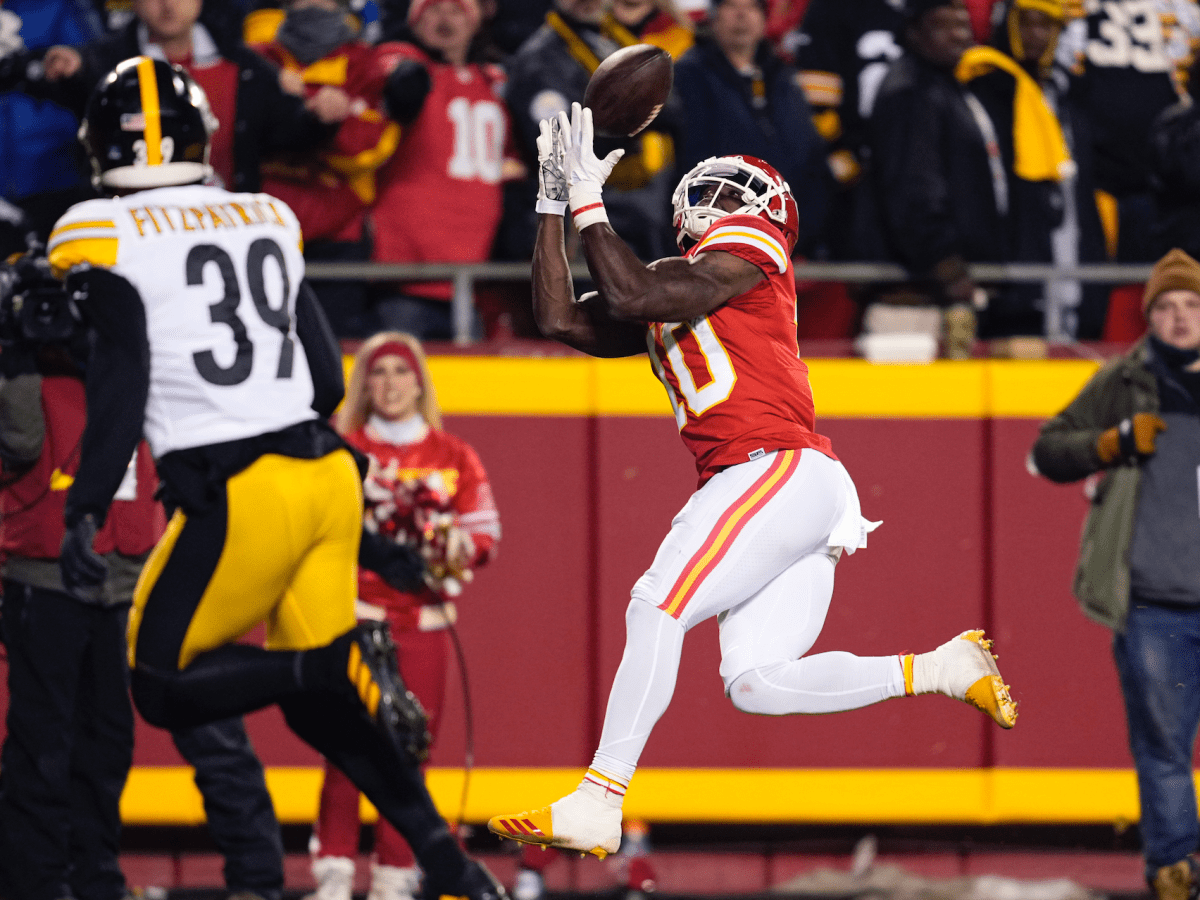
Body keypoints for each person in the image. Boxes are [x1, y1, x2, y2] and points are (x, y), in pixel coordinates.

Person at [485, 104, 1018, 858]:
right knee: (757, 682)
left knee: (656, 605)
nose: (720, 201)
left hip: (774, 468)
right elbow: (561, 319)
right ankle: (940, 667)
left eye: (736, 194)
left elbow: (634, 296)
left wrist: (587, 201)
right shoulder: (675, 278)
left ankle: (600, 797)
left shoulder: (751, 252)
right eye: (716, 193)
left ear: (768, 212)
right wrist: (551, 200)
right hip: (785, 486)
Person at [48, 56, 507, 900]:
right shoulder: (263, 213)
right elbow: (329, 381)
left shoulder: (95, 229)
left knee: (160, 682)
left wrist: (84, 506)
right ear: (200, 137)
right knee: (318, 703)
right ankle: (448, 860)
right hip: (325, 475)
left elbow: (122, 383)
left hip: (237, 485)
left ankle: (324, 672)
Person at [1030, 247, 1200, 900]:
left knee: (1164, 754)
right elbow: (1049, 449)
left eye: (1191, 305)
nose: (1180, 319)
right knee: (1163, 752)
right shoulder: (1126, 379)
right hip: (1152, 602)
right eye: (1167, 307)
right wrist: (1111, 443)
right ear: (1150, 317)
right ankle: (1174, 873)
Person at [307, 331, 500, 900]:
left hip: (425, 626)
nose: (389, 383)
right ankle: (335, 873)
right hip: (353, 616)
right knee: (346, 745)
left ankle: (395, 875)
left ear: (420, 382)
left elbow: (484, 534)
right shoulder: (338, 447)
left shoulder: (453, 454)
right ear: (363, 383)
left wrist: (454, 548)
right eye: (378, 372)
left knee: (409, 754)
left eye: (400, 371)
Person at [0, 253, 165, 900]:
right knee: (43, 743)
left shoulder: (128, 372)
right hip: (42, 575)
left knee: (107, 741)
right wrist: (12, 350)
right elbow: (18, 443)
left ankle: (96, 876)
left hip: (118, 574)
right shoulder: (23, 371)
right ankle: (35, 883)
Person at [249, 0, 405, 339]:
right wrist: (296, 109)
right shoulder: (257, 58)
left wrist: (322, 122)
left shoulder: (367, 63)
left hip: (338, 239)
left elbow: (370, 148)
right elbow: (237, 138)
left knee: (335, 357)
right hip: (260, 230)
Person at [367, 0, 520, 340]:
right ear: (415, 20)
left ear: (476, 18)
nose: (445, 18)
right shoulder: (402, 63)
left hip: (475, 279)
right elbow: (397, 82)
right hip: (406, 276)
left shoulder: (493, 82)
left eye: (456, 9)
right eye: (433, 8)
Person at [862, 0, 1005, 357]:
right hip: (911, 294)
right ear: (914, 32)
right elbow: (913, 190)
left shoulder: (946, 85)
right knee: (905, 409)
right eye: (943, 26)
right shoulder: (910, 90)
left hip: (939, 287)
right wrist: (946, 264)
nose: (958, 36)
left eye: (963, 26)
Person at [960, 0, 1109, 342]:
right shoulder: (983, 89)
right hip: (1010, 268)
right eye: (1026, 23)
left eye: (1048, 26)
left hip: (1067, 253)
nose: (1036, 35)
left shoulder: (1067, 95)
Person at [496, 0, 685, 264]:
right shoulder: (539, 59)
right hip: (579, 219)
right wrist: (636, 117)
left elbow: (674, 107)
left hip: (637, 212)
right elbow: (559, 147)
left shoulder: (612, 39)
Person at [672, 0, 830, 257]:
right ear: (714, 17)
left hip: (791, 244)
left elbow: (810, 155)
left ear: (764, 18)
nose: (742, 15)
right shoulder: (688, 76)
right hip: (718, 244)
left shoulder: (784, 77)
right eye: (731, 6)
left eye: (752, 7)